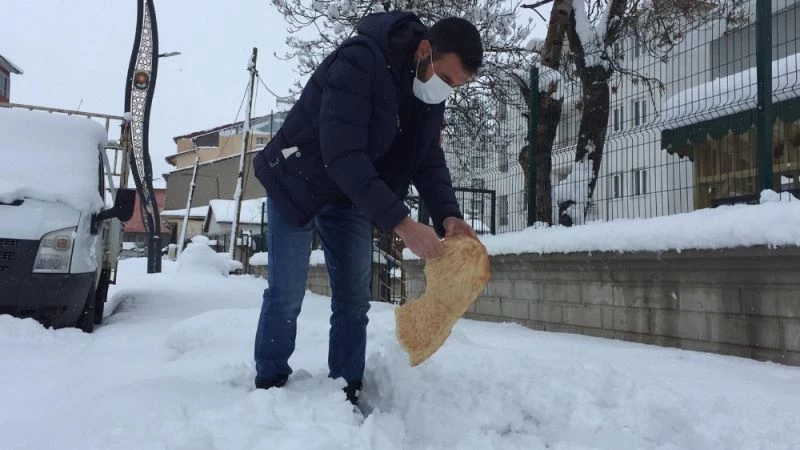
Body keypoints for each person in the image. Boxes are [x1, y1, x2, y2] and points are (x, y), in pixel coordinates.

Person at [252, 11, 484, 405]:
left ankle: (344, 387)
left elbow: (426, 156)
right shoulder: (361, 59)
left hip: (349, 197)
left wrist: (448, 214)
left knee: (354, 299)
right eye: (445, 79)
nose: (444, 91)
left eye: (454, 87)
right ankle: (271, 386)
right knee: (287, 292)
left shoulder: (427, 96)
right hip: (298, 181)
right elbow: (341, 155)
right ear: (425, 49)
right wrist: (402, 222)